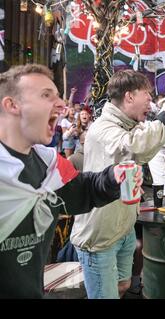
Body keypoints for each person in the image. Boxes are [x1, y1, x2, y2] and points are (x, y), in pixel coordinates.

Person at [0, 64, 143, 298]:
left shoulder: (48, 164)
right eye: (46, 95)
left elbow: (80, 191)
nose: (61, 104)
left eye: (58, 96)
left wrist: (112, 178)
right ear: (11, 105)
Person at [70, 69, 165, 299]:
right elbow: (134, 147)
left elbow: (142, 151)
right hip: (100, 236)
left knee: (122, 286)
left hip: (122, 228)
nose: (150, 102)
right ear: (129, 96)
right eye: (148, 95)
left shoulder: (128, 125)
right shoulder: (104, 128)